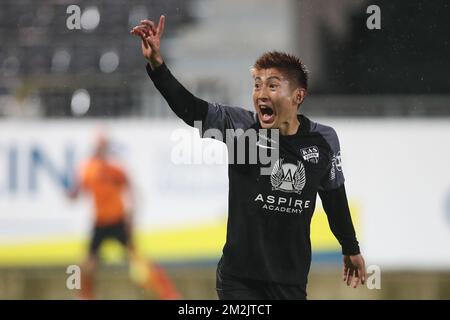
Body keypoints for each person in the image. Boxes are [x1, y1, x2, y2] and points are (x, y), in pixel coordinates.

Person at [131, 16, 366, 300]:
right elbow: (190, 109)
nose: (261, 94)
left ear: (298, 96)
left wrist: (350, 247)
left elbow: (334, 199)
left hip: (289, 281)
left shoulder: (324, 140)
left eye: (272, 85)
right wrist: (157, 66)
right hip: (239, 280)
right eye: (257, 85)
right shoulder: (239, 127)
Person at [68, 132, 180, 300]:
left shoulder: (115, 169)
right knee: (85, 265)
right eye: (99, 146)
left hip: (118, 220)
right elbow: (78, 192)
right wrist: (71, 192)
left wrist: (131, 216)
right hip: (100, 223)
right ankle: (84, 296)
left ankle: (169, 294)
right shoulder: (89, 169)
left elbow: (132, 191)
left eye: (103, 146)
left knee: (140, 262)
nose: (100, 150)